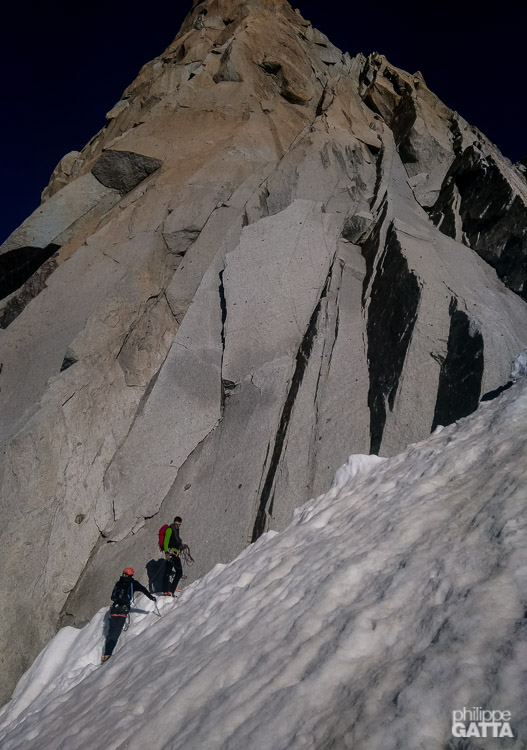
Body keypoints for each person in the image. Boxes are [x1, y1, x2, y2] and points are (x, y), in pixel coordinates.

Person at [102, 567, 156, 662]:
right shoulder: (133, 583)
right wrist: (152, 598)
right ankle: (108, 655)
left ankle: (106, 653)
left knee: (111, 632)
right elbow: (143, 589)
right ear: (131, 575)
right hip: (123, 609)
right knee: (116, 632)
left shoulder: (119, 582)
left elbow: (112, 596)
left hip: (114, 608)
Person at [162, 516, 189, 596]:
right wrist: (167, 553)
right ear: (174, 522)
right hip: (172, 554)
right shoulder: (170, 530)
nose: (177, 526)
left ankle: (165, 591)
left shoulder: (175, 530)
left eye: (179, 525)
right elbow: (166, 542)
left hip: (173, 553)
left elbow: (175, 542)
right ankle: (171, 590)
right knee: (179, 572)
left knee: (168, 572)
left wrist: (181, 546)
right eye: (176, 524)